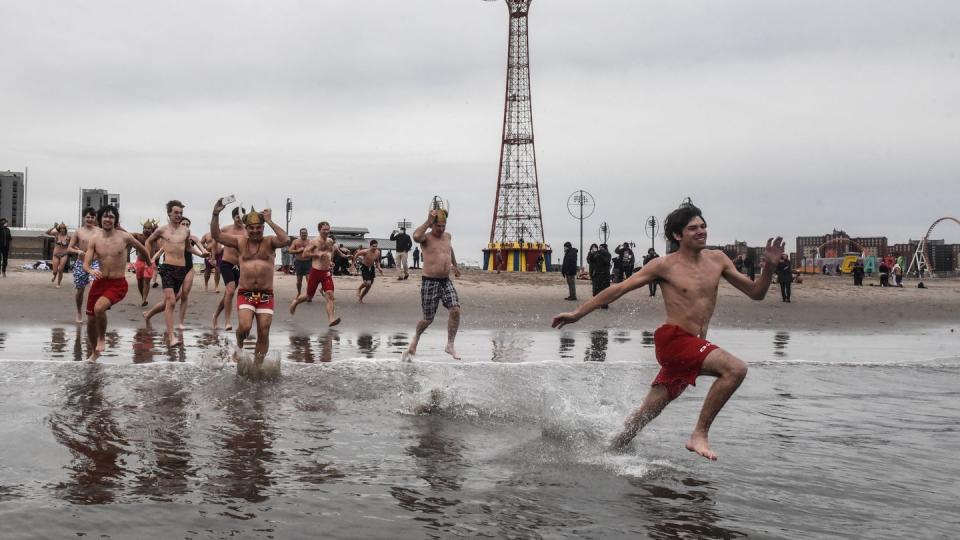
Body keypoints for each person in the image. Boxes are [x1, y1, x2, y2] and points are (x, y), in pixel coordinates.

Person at [551, 203, 784, 461]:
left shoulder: (718, 260)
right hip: (673, 341)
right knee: (735, 369)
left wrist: (769, 268)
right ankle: (699, 434)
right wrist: (577, 314)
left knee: (644, 416)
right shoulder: (663, 266)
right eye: (693, 228)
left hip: (693, 347)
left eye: (703, 226)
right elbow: (618, 288)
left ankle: (600, 454)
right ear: (677, 235)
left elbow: (756, 293)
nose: (701, 232)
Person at [210, 200, 289, 362]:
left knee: (264, 331)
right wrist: (215, 214)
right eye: (251, 228)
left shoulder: (270, 242)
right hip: (246, 293)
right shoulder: (240, 242)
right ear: (246, 228)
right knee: (245, 327)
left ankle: (257, 366)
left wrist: (269, 220)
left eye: (258, 227)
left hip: (266, 295)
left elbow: (285, 240)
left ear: (262, 227)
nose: (255, 231)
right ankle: (239, 342)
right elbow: (216, 235)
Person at [82, 205, 149, 361]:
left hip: (117, 283)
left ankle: (102, 339)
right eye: (105, 216)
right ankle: (94, 353)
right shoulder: (94, 239)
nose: (108, 219)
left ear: (115, 220)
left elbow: (143, 249)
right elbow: (86, 263)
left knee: (99, 308)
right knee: (90, 321)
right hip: (99, 282)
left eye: (111, 217)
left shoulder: (124, 237)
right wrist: (91, 270)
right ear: (100, 219)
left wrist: (149, 262)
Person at [402, 208, 461, 361]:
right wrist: (428, 221)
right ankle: (416, 338)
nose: (441, 229)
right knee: (427, 319)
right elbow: (415, 236)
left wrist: (455, 265)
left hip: (445, 281)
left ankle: (450, 344)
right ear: (432, 225)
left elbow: (450, 249)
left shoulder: (448, 236)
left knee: (455, 309)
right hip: (430, 282)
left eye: (443, 226)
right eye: (438, 226)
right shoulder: (425, 238)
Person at [142, 217, 207, 330]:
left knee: (185, 294)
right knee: (172, 300)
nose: (185, 226)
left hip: (188, 268)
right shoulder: (173, 238)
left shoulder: (192, 237)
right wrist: (152, 259)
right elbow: (161, 250)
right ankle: (149, 314)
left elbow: (199, 248)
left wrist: (204, 253)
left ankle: (181, 323)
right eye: (183, 224)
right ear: (179, 225)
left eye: (188, 224)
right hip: (173, 268)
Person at [144, 200, 194, 346]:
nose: (178, 215)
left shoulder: (186, 231)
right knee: (171, 301)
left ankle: (148, 314)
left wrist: (202, 254)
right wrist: (149, 258)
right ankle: (171, 336)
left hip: (181, 269)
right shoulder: (162, 230)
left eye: (181, 213)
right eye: (176, 213)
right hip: (167, 268)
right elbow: (148, 241)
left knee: (168, 302)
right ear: (169, 214)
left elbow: (189, 249)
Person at [289, 221, 343, 326]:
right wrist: (317, 254)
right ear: (319, 230)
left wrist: (330, 261)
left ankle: (331, 319)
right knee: (309, 297)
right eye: (324, 230)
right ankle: (295, 301)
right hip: (315, 272)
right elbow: (305, 254)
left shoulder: (330, 241)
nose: (326, 232)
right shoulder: (314, 241)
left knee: (330, 295)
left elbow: (328, 253)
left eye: (328, 229)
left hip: (326, 272)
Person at [212, 206, 246, 330]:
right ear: (233, 217)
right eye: (237, 217)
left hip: (240, 266)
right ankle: (227, 321)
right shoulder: (227, 229)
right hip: (227, 263)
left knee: (228, 293)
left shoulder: (247, 230)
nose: (239, 219)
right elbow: (215, 235)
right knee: (231, 291)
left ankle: (215, 315)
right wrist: (215, 251)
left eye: (241, 217)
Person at [67, 207, 101, 323]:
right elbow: (69, 248)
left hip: (95, 262)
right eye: (87, 217)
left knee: (94, 286)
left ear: (95, 218)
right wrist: (78, 251)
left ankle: (92, 311)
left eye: (92, 217)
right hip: (81, 263)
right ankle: (78, 311)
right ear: (84, 218)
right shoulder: (78, 231)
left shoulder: (99, 231)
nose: (90, 219)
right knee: (80, 290)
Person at [129, 219, 158, 306]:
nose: (147, 229)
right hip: (140, 262)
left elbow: (163, 234)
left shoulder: (154, 237)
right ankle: (143, 297)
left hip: (150, 262)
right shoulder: (138, 236)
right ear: (143, 228)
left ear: (152, 229)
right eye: (145, 228)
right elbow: (126, 234)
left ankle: (144, 299)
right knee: (139, 281)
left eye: (149, 228)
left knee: (147, 281)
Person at [44, 222, 72, 287]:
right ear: (59, 229)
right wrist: (53, 227)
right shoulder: (56, 234)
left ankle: (58, 283)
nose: (62, 230)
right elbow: (47, 232)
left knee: (60, 270)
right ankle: (54, 275)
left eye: (63, 228)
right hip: (56, 255)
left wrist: (67, 244)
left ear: (65, 229)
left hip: (64, 255)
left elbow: (72, 245)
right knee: (55, 271)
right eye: (61, 228)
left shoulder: (68, 237)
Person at [288, 227, 312, 296]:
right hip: (299, 262)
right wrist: (298, 251)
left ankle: (309, 294)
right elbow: (290, 250)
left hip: (308, 262)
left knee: (309, 281)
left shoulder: (310, 242)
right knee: (299, 282)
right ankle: (299, 293)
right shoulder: (296, 241)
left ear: (307, 234)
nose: (304, 234)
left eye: (305, 233)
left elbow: (315, 252)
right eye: (302, 233)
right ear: (300, 234)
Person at [587, 243, 612, 309]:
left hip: (605, 275)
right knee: (597, 290)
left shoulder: (608, 254)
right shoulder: (597, 254)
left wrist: (600, 255)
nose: (600, 249)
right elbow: (591, 261)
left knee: (605, 290)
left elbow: (606, 261)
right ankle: (597, 304)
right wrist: (592, 254)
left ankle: (604, 305)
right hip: (598, 275)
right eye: (599, 248)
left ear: (605, 248)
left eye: (601, 248)